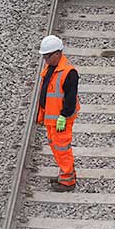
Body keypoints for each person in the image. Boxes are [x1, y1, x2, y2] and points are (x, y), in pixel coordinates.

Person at [37, 35, 79, 192]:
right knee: (56, 147)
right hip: (52, 118)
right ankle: (65, 174)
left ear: (57, 54)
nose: (45, 60)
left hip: (60, 119)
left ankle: (67, 181)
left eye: (47, 56)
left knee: (62, 149)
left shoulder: (69, 73)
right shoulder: (51, 68)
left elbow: (70, 99)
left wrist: (64, 116)